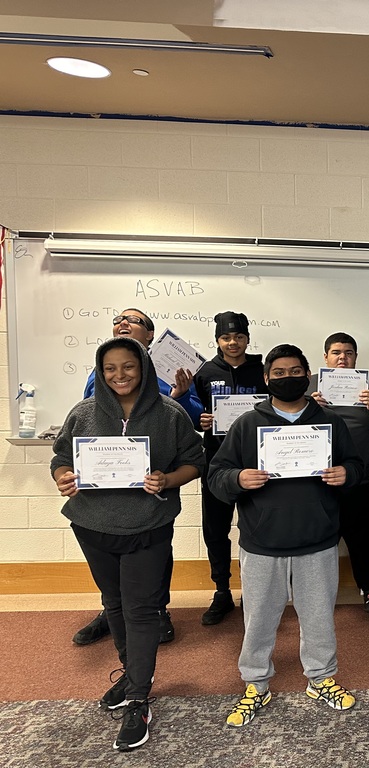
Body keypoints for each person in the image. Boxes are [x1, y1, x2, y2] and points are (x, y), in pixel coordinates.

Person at [51, 337, 204, 751]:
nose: (120, 375)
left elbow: (196, 460)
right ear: (100, 372)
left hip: (148, 527)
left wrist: (168, 480)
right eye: (110, 368)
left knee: (140, 610)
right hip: (92, 526)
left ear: (144, 367)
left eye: (128, 367)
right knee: (113, 604)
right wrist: (63, 477)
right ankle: (131, 673)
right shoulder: (82, 413)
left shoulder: (170, 413)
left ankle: (138, 698)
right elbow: (60, 457)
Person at [207, 344, 364, 727]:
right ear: (266, 378)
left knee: (318, 618)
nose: (287, 378)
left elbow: (357, 465)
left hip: (318, 538)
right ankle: (256, 684)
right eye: (279, 373)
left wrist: (347, 474)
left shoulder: (328, 421)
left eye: (295, 371)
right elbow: (216, 475)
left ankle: (321, 678)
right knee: (259, 619)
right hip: (262, 543)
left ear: (306, 375)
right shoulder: (247, 424)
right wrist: (238, 478)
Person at [74, 308, 203, 647]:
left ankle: (158, 609)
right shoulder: (101, 373)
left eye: (133, 321)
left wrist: (178, 396)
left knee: (155, 548)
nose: (123, 324)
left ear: (150, 336)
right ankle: (110, 611)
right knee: (105, 546)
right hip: (106, 479)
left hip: (152, 484)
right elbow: (88, 415)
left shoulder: (171, 370)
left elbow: (191, 420)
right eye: (118, 320)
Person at [192, 311, 267, 626]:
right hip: (217, 461)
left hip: (257, 462)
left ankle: (254, 591)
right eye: (226, 337)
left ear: (247, 339)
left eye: (238, 337)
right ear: (217, 340)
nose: (232, 342)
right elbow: (189, 410)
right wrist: (200, 420)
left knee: (256, 528)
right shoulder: (205, 372)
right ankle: (221, 590)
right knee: (215, 530)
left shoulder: (262, 370)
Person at [310, 332, 369, 614]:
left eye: (349, 353)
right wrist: (309, 407)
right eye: (336, 352)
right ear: (326, 357)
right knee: (319, 537)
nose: (343, 358)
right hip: (320, 477)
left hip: (362, 475)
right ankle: (316, 595)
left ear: (356, 357)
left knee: (362, 535)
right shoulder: (309, 387)